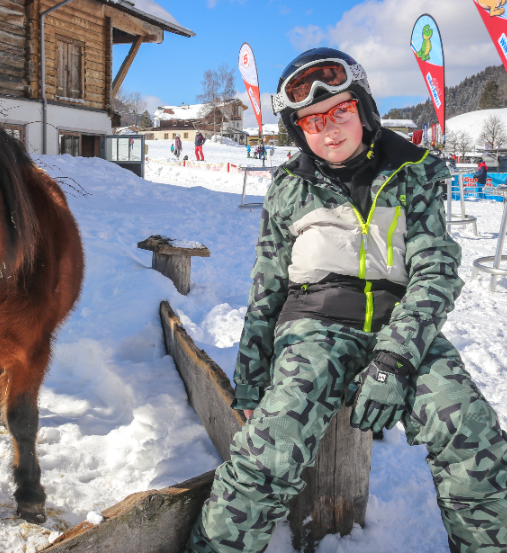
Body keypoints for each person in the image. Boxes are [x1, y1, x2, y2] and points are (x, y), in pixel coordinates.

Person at [188, 47, 507, 553]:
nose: (329, 128)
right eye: (312, 120)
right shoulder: (290, 187)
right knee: (271, 448)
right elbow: (267, 286)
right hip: (313, 326)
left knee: (470, 429)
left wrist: (393, 361)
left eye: (339, 111)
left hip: (400, 328)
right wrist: (250, 383)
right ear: (298, 130)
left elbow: (436, 272)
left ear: (362, 107)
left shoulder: (414, 172)